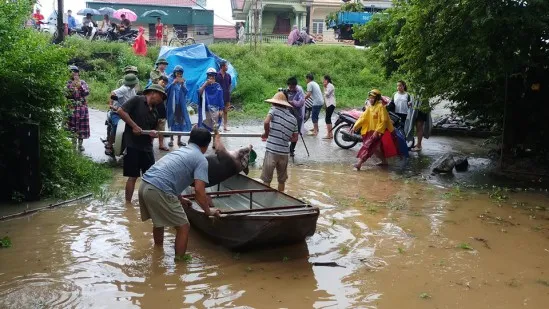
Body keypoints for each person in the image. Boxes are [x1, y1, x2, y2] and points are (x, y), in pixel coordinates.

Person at [138, 127, 220, 258]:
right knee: (183, 226)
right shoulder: (201, 159)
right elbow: (199, 191)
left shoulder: (181, 151)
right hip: (158, 190)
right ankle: (180, 264)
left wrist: (180, 199)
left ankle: (158, 253)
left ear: (190, 140)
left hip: (144, 185)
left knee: (158, 222)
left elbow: (169, 176)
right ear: (206, 145)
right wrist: (208, 211)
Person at [117, 84, 166, 203]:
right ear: (153, 93)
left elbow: (152, 129)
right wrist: (134, 126)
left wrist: (152, 134)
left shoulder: (155, 111)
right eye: (161, 97)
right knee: (133, 176)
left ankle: (148, 202)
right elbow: (121, 111)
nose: (161, 100)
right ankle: (128, 204)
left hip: (147, 147)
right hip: (132, 144)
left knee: (150, 176)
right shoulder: (137, 100)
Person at [261, 92, 299, 192]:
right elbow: (295, 138)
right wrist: (285, 138)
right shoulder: (293, 119)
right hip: (284, 153)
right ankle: (280, 200)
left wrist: (266, 133)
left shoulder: (274, 110)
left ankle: (266, 200)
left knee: (266, 179)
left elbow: (266, 122)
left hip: (272, 151)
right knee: (281, 180)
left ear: (275, 103)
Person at [350, 89, 397, 170]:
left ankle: (359, 163)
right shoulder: (370, 108)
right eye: (370, 98)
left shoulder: (381, 107)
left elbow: (384, 120)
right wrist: (355, 126)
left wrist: (377, 131)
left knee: (368, 146)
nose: (371, 99)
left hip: (378, 132)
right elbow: (363, 118)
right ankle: (384, 161)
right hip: (371, 131)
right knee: (376, 149)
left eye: (373, 98)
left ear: (377, 98)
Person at [105, 73, 139, 156]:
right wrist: (111, 105)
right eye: (134, 82)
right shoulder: (124, 89)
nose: (135, 84)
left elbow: (134, 100)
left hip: (127, 113)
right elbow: (113, 93)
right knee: (117, 126)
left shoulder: (132, 90)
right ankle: (109, 145)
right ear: (131, 83)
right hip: (117, 113)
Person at [66, 66, 90, 152]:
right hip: (71, 107)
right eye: (72, 72)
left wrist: (80, 87)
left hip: (82, 107)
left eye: (75, 72)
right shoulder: (68, 83)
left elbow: (87, 92)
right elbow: (66, 94)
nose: (74, 73)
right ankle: (73, 144)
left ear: (78, 73)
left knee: (81, 126)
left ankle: (80, 145)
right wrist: (72, 86)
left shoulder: (83, 82)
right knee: (72, 126)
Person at [166, 65, 192, 147]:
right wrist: (173, 83)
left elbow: (186, 92)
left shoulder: (183, 80)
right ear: (174, 73)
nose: (179, 75)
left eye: (180, 73)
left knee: (181, 121)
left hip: (180, 105)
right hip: (172, 104)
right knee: (171, 121)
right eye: (178, 73)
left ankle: (179, 140)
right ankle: (171, 140)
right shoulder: (170, 79)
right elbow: (166, 90)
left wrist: (183, 84)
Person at [149, 58, 169, 151]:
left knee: (162, 122)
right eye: (163, 64)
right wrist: (163, 80)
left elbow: (165, 84)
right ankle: (150, 143)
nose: (164, 66)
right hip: (154, 97)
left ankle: (161, 144)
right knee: (153, 122)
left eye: (165, 65)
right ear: (158, 64)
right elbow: (156, 81)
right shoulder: (154, 72)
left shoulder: (166, 73)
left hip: (162, 99)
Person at [198, 68, 224, 132]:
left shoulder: (218, 86)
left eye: (213, 75)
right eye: (210, 75)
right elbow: (199, 93)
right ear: (207, 76)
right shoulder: (204, 84)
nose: (211, 77)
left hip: (215, 110)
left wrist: (221, 109)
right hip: (206, 110)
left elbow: (221, 98)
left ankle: (214, 141)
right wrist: (205, 84)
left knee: (215, 128)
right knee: (205, 128)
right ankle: (206, 141)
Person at [285, 77, 306, 157]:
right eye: (290, 87)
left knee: (296, 133)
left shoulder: (299, 91)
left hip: (297, 116)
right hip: (287, 115)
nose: (291, 88)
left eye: (292, 87)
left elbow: (301, 103)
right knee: (286, 132)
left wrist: (292, 102)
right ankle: (285, 148)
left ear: (295, 85)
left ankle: (291, 149)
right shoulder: (285, 91)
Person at [215, 60, 232, 131]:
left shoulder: (228, 76)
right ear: (222, 67)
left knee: (225, 111)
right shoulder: (216, 75)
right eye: (226, 66)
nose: (227, 67)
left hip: (226, 96)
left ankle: (225, 126)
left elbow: (230, 85)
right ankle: (217, 126)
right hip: (218, 96)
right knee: (218, 112)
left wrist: (228, 92)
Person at [323, 75, 336, 139]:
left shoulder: (330, 85)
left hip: (331, 104)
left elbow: (327, 94)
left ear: (326, 80)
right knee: (328, 119)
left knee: (327, 119)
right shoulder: (327, 86)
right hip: (329, 104)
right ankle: (330, 134)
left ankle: (329, 134)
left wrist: (325, 87)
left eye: (324, 80)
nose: (323, 81)